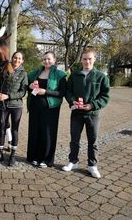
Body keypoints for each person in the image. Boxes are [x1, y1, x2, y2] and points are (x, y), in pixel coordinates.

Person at [62, 48, 110, 178]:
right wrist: (72, 102)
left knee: (93, 141)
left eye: (90, 58)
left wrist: (92, 105)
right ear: (81, 60)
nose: (87, 61)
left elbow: (105, 96)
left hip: (93, 114)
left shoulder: (101, 77)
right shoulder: (74, 76)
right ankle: (73, 161)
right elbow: (68, 91)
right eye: (84, 59)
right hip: (77, 113)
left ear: (94, 59)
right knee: (74, 139)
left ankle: (92, 165)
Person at [27, 51, 67, 168]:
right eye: (44, 59)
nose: (46, 61)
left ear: (54, 60)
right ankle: (34, 157)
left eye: (49, 59)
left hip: (50, 108)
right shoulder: (35, 73)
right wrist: (29, 87)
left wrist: (46, 92)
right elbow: (26, 84)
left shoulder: (60, 74)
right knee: (35, 132)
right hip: (34, 107)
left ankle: (46, 159)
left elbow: (62, 93)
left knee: (48, 133)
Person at [0, 51, 28, 166]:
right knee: (2, 127)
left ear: (22, 61)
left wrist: (8, 96)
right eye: (15, 58)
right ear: (12, 59)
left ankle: (12, 155)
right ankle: (0, 153)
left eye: (19, 58)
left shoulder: (23, 74)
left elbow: (23, 92)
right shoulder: (5, 70)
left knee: (14, 130)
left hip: (16, 106)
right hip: (3, 105)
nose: (17, 60)